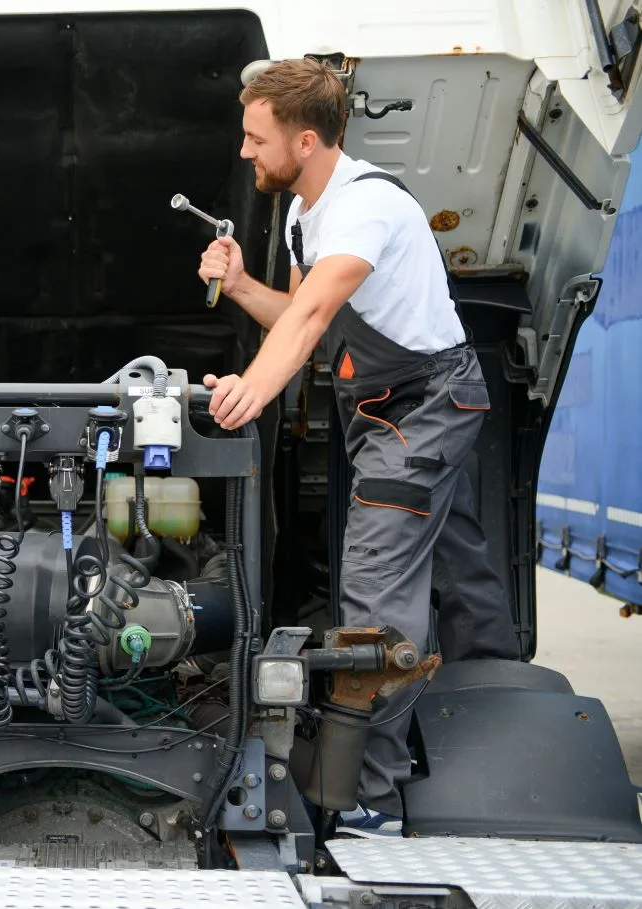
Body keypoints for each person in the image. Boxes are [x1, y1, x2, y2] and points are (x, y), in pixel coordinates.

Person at [197, 57, 521, 830]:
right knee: (455, 566)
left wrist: (249, 389)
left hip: (421, 409)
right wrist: (243, 285)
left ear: (305, 141)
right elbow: (306, 316)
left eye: (255, 138)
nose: (245, 153)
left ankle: (370, 796)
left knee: (375, 595)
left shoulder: (361, 211)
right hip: (390, 408)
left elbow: (310, 323)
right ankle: (506, 713)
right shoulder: (309, 211)